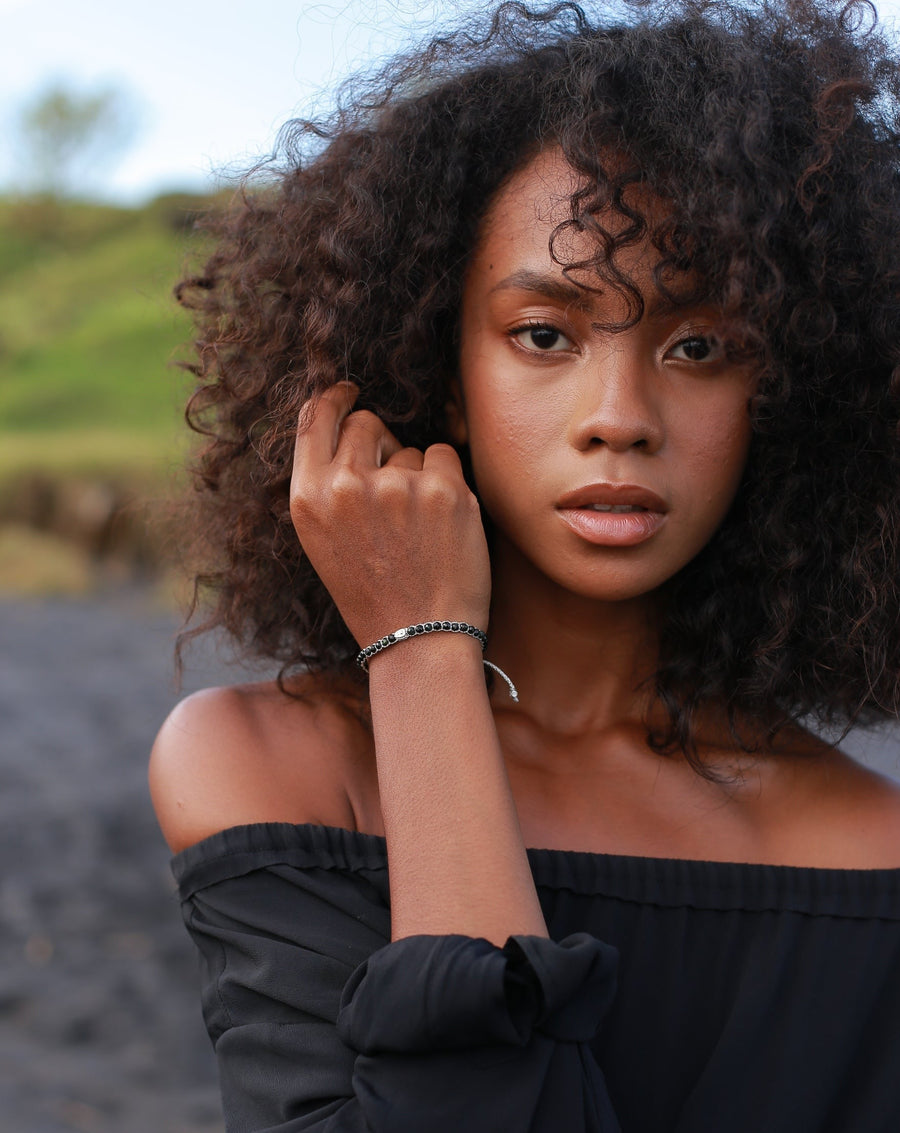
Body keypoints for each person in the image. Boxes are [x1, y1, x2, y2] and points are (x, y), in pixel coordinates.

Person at [150, 1, 900, 1129]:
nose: (620, 418)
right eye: (545, 334)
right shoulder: (271, 767)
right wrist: (420, 655)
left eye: (698, 346)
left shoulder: (873, 853)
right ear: (438, 366)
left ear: (783, 389)